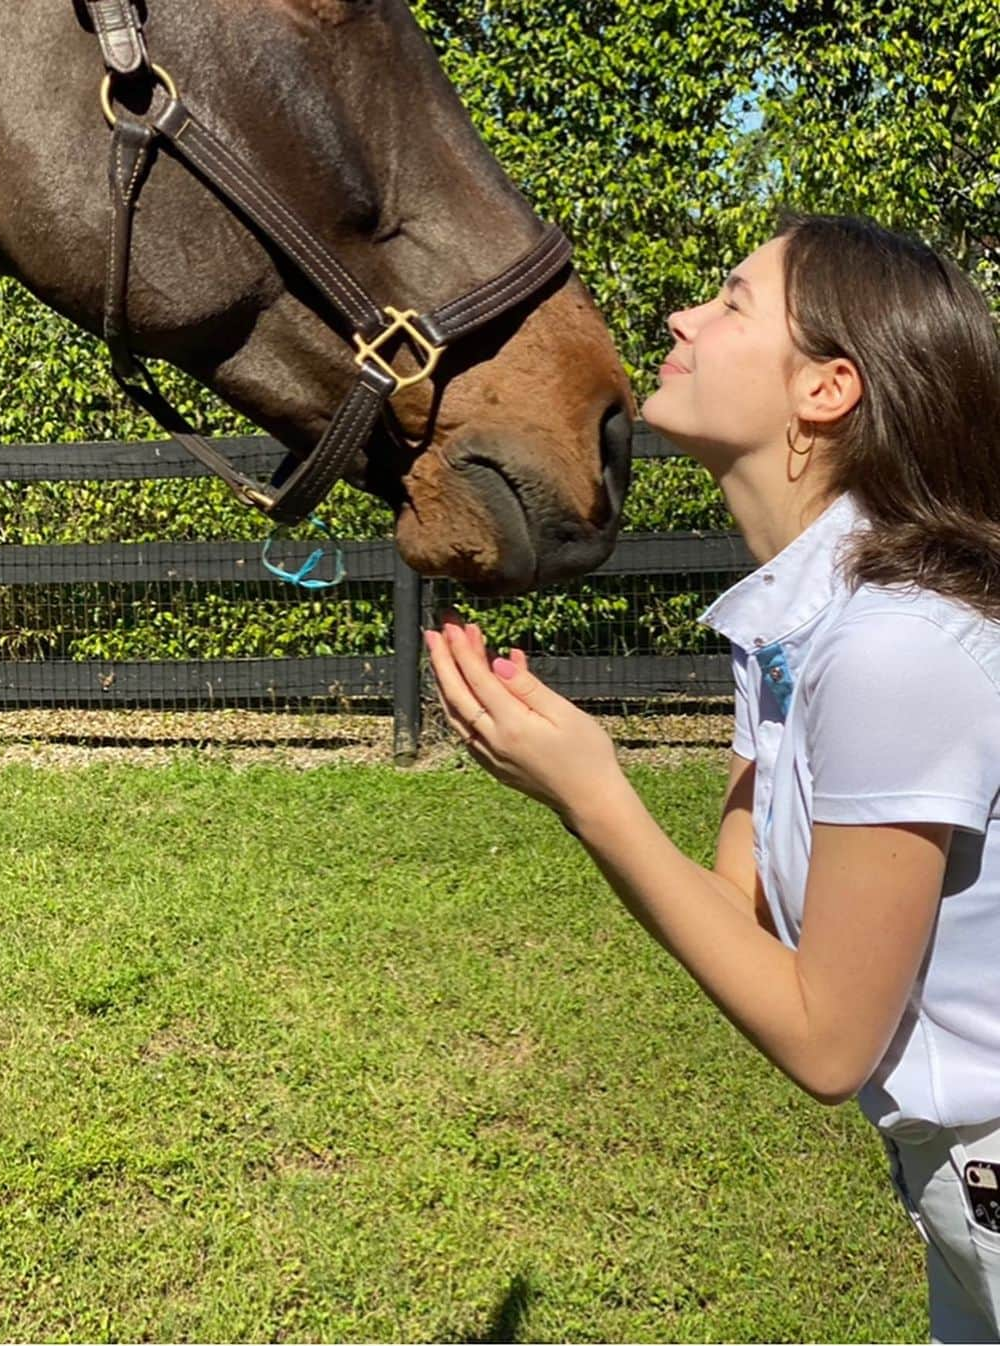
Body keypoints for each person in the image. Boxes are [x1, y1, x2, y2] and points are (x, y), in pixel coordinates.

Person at [424, 212, 1000, 1344]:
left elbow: (826, 1039)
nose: (681, 317)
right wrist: (568, 778)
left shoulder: (892, 645)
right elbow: (742, 914)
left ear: (828, 390)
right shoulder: (794, 630)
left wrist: (598, 791)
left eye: (733, 301)